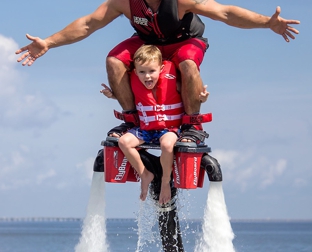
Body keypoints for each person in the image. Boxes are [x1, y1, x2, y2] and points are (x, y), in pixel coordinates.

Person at [15, 0, 300, 144]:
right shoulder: (125, 2)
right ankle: (131, 121)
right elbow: (89, 24)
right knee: (115, 59)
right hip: (150, 43)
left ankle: (192, 126)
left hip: (185, 41)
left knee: (187, 63)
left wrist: (267, 23)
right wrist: (49, 42)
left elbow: (224, 13)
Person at [102, 45, 208, 204]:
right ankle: (145, 174)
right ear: (136, 72)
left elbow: (191, 93)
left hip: (170, 129)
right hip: (146, 129)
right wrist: (113, 96)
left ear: (161, 69)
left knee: (166, 145)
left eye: (152, 71)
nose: (147, 76)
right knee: (124, 142)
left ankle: (165, 181)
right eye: (142, 72)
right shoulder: (134, 83)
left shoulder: (174, 81)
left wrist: (202, 97)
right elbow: (128, 96)